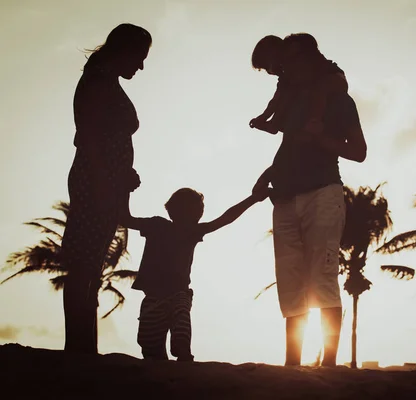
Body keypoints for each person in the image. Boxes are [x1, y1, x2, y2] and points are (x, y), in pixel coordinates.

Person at [251, 33, 367, 367]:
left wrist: (323, 139)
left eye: (288, 62)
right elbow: (289, 143)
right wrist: (268, 173)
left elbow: (358, 152)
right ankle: (292, 365)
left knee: (323, 276)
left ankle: (329, 365)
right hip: (284, 195)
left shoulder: (339, 99)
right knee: (290, 281)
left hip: (323, 192)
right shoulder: (291, 98)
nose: (282, 69)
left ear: (307, 59)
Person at [60, 23, 152, 354]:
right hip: (94, 182)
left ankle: (84, 346)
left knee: (90, 265)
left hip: (104, 182)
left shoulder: (103, 80)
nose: (141, 65)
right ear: (123, 51)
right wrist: (104, 181)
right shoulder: (98, 82)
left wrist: (123, 175)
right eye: (140, 57)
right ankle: (79, 348)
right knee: (84, 265)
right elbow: (89, 138)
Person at [121, 187, 269, 361]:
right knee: (151, 347)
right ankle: (175, 364)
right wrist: (125, 187)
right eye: (198, 208)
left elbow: (226, 218)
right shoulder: (161, 226)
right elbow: (225, 218)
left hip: (178, 295)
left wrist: (252, 199)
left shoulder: (180, 229)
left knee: (180, 332)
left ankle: (183, 359)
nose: (201, 212)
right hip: (155, 298)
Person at [249, 34, 348, 137]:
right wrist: (263, 117)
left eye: (267, 67)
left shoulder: (294, 55)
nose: (270, 72)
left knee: (318, 89)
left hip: (333, 78)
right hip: (313, 85)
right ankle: (275, 123)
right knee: (285, 96)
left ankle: (315, 121)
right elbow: (276, 100)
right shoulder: (285, 78)